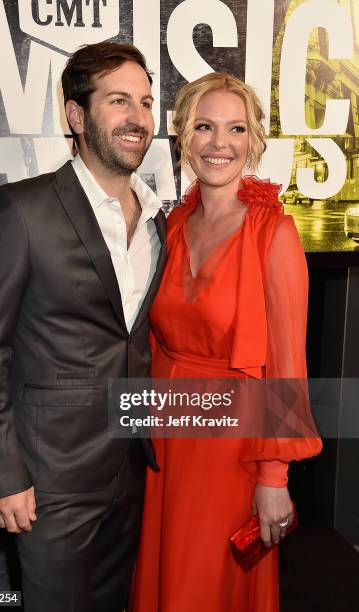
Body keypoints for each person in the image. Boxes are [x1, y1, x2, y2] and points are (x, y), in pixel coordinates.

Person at [0, 42, 166, 612]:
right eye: (119, 101)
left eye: (146, 103)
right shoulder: (21, 210)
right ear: (76, 116)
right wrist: (2, 475)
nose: (138, 119)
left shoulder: (156, 220)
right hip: (49, 480)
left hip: (129, 469)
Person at [130, 72, 322, 612]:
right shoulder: (170, 225)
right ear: (184, 138)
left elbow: (287, 366)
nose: (220, 143)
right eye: (204, 127)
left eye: (235, 129)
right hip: (165, 436)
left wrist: (274, 475)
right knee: (164, 577)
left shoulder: (273, 235)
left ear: (254, 140)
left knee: (205, 586)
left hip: (231, 450)